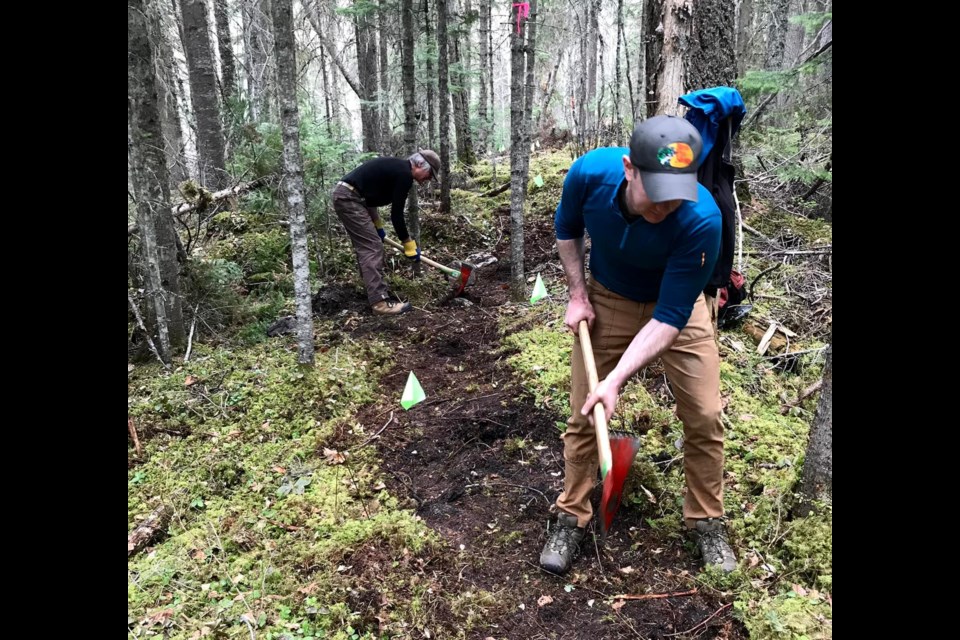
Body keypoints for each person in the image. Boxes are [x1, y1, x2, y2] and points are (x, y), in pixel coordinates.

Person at [539, 115, 737, 575]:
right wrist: (576, 294)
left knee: (705, 414)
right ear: (630, 168)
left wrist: (616, 380)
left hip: (680, 310)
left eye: (676, 194)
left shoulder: (702, 218)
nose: (666, 206)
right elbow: (567, 231)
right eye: (657, 191)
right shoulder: (589, 174)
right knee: (586, 409)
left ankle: (706, 520)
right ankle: (571, 514)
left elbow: (668, 320)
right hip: (610, 294)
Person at [332, 150, 441, 316]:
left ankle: (370, 290)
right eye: (430, 174)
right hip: (349, 198)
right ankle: (379, 302)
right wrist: (408, 244)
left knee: (370, 244)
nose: (428, 179)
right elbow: (396, 215)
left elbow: (369, 196)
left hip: (350, 196)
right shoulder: (404, 174)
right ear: (419, 164)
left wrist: (378, 227)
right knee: (372, 247)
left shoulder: (397, 169)